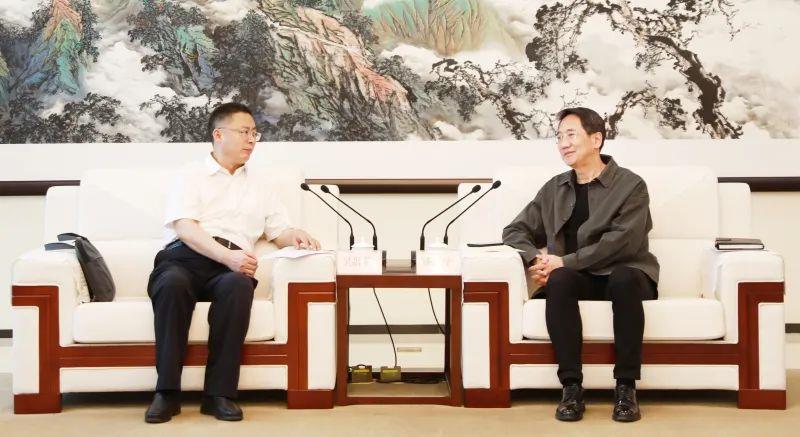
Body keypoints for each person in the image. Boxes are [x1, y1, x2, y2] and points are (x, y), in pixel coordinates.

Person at [145, 102, 320, 423]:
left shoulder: (262, 185)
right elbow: (184, 227)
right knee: (171, 283)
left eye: (255, 133)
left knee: (238, 287)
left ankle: (219, 395)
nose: (251, 140)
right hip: (185, 257)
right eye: (244, 132)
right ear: (218, 135)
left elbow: (278, 231)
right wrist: (227, 256)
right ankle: (166, 392)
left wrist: (296, 235)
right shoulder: (190, 175)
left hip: (231, 268)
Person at [503, 107, 659, 422]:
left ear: (596, 139)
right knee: (559, 280)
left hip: (626, 274)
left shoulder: (631, 185)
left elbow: (622, 242)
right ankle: (571, 388)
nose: (563, 143)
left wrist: (564, 261)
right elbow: (515, 231)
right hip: (579, 277)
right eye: (559, 137)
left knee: (623, 278)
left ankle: (626, 388)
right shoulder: (554, 188)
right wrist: (538, 259)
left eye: (571, 135)